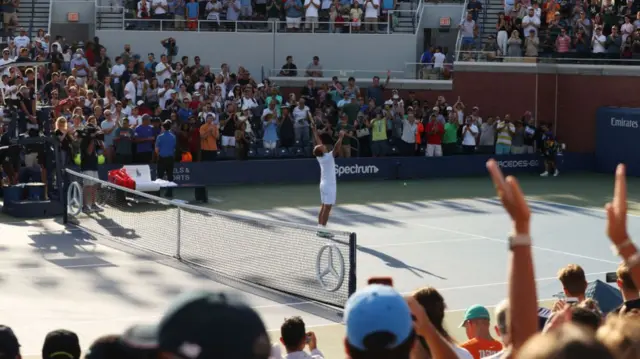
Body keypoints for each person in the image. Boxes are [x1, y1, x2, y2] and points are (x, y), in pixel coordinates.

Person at [311, 126, 345, 237]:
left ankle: (319, 227)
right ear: (321, 151)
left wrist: (315, 132)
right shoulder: (328, 157)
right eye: (321, 146)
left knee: (323, 207)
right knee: (327, 208)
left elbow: (318, 141)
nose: (323, 145)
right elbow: (336, 148)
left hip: (323, 185)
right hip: (329, 186)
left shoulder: (321, 157)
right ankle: (323, 230)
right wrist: (340, 138)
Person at [155, 120, 176, 198]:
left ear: (163, 127)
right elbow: (174, 148)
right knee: (170, 176)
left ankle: (157, 194)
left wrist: (159, 155)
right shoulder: (173, 137)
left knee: (159, 176)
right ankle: (169, 193)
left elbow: (156, 149)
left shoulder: (159, 137)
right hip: (170, 159)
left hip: (162, 158)